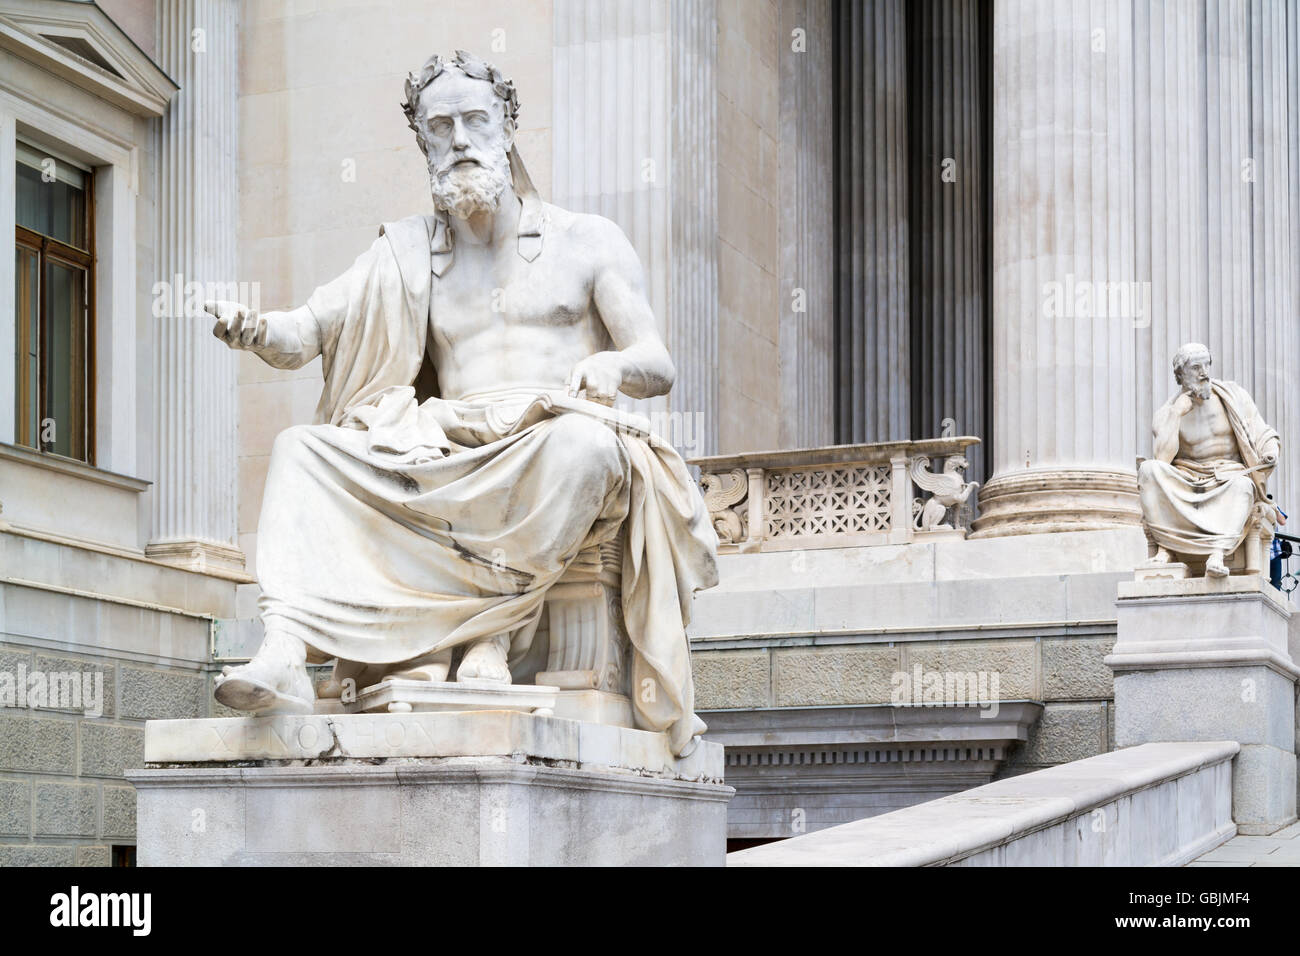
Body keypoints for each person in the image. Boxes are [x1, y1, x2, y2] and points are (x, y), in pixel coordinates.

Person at [202, 51, 717, 755]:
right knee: (300, 449)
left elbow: (656, 363)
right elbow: (309, 331)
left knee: (588, 450)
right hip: (445, 442)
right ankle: (286, 650)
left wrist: (610, 364)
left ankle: (490, 635)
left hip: (552, 430)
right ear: (423, 143)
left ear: (508, 127)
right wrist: (256, 329)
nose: (461, 140)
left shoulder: (585, 240)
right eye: (440, 127)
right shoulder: (408, 253)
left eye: (476, 120)